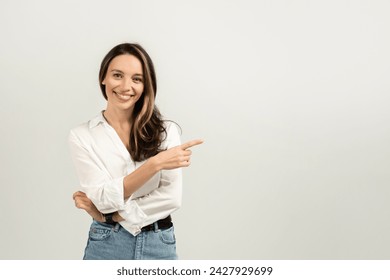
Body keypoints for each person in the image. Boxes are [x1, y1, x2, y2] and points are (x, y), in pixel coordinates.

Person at [68, 43, 203, 260]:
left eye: (137, 79)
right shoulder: (82, 136)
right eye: (117, 75)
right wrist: (154, 164)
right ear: (103, 77)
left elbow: (171, 198)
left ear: (145, 85)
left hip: (159, 244)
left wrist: (110, 215)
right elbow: (102, 198)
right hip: (106, 245)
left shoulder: (165, 131)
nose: (125, 86)